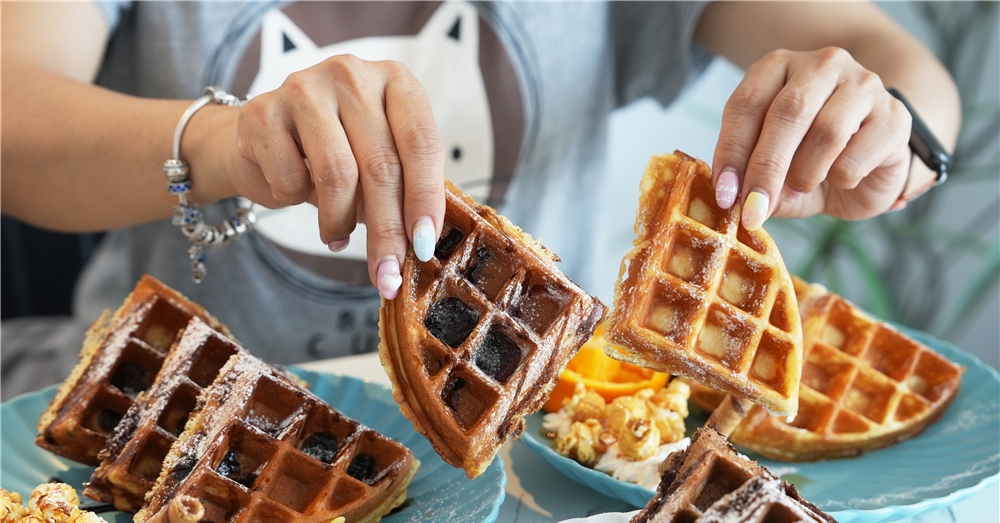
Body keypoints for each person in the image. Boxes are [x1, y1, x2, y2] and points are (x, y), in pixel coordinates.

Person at [0, 1, 960, 395]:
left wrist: (892, 124)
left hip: (539, 427)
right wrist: (220, 138)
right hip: (190, 394)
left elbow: (874, 44)